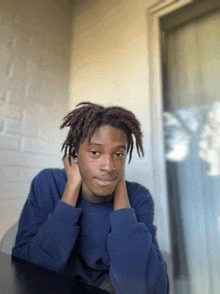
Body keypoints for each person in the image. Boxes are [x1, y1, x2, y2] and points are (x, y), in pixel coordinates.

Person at [12, 102, 169, 293]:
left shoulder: (138, 197)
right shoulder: (48, 183)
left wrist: (120, 189)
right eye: (95, 152)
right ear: (75, 153)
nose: (109, 166)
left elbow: (150, 288)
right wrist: (71, 189)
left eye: (118, 154)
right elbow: (26, 268)